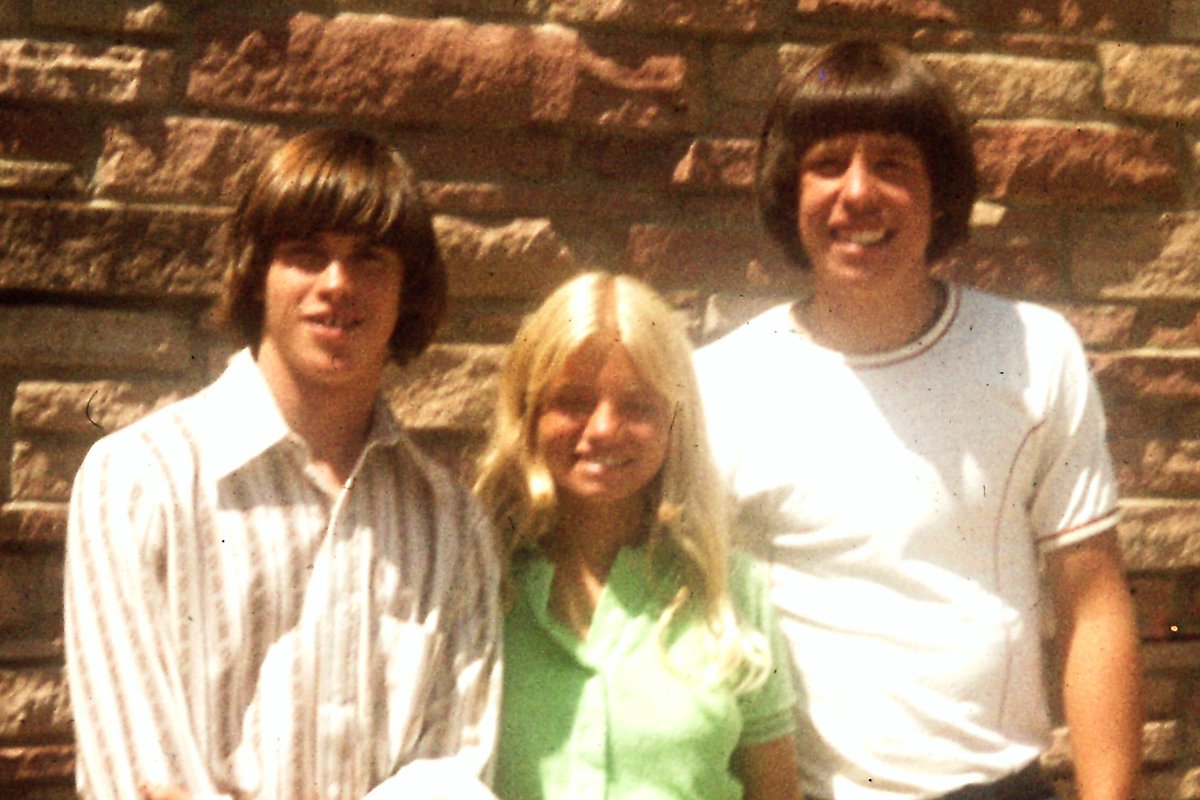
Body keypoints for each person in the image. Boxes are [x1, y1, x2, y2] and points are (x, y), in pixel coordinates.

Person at [694, 40, 1142, 800]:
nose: (857, 193)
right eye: (827, 163)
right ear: (788, 194)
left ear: (940, 193)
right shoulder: (723, 383)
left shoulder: (1030, 352)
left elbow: (1093, 602)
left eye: (893, 164)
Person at [64, 128, 501, 800]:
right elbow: (139, 776)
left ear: (407, 288)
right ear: (256, 273)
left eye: (370, 259)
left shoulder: (449, 522)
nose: (338, 284)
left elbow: (455, 776)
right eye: (305, 254)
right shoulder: (138, 482)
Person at [474, 272, 802, 800]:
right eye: (573, 401)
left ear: (676, 421)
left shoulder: (727, 591)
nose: (604, 427)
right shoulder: (476, 586)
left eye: (638, 406)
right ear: (527, 411)